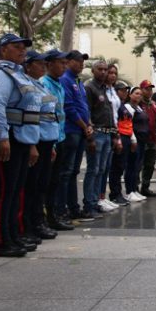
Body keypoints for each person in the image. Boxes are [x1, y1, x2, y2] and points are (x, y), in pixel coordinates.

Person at [0, 33, 41, 257]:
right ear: (3, 49)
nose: (22, 51)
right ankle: (1, 241)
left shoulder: (19, 75)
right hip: (6, 138)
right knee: (4, 190)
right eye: (16, 47)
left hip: (21, 138)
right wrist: (2, 137)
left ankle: (13, 235)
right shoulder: (0, 75)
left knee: (15, 190)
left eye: (23, 47)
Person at [23, 50, 65, 240]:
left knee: (43, 184)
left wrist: (53, 143)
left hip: (49, 140)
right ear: (29, 65)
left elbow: (51, 116)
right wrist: (33, 144)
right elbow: (33, 117)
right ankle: (33, 223)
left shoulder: (41, 87)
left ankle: (39, 221)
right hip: (38, 141)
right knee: (34, 186)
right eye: (39, 63)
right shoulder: (32, 86)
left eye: (44, 63)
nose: (43, 66)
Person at [58, 50, 93, 221]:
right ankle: (62, 208)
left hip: (81, 131)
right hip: (71, 130)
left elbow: (83, 105)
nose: (81, 64)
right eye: (78, 61)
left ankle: (73, 207)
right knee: (66, 171)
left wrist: (89, 125)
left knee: (74, 171)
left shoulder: (78, 81)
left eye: (83, 61)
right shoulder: (65, 79)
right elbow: (69, 108)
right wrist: (84, 125)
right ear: (69, 61)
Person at [42, 51, 74, 230]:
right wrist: (53, 143)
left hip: (60, 137)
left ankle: (54, 216)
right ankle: (45, 218)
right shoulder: (44, 84)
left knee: (56, 180)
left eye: (65, 63)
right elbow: (47, 115)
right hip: (50, 140)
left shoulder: (59, 84)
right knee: (47, 181)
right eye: (61, 63)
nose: (64, 66)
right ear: (50, 64)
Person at [84, 60, 119, 215]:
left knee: (102, 169)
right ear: (93, 71)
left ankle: (97, 200)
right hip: (97, 132)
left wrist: (113, 133)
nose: (104, 72)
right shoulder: (89, 88)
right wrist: (90, 136)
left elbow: (110, 113)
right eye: (100, 69)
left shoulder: (105, 89)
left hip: (107, 133)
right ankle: (89, 204)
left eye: (106, 69)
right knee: (93, 169)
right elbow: (87, 112)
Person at [117, 86, 149, 203]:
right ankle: (129, 191)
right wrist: (133, 140)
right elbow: (128, 125)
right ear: (130, 95)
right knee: (131, 166)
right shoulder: (128, 108)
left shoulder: (139, 108)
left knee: (137, 167)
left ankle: (134, 189)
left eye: (140, 94)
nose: (138, 96)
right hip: (132, 141)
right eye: (136, 93)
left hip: (142, 141)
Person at [107, 82, 131, 206]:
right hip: (119, 136)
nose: (125, 92)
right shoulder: (116, 105)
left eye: (126, 90)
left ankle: (118, 193)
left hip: (126, 136)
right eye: (122, 90)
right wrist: (118, 138)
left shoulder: (123, 105)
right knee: (116, 167)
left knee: (120, 166)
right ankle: (115, 194)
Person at [139, 80, 156, 197]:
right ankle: (134, 188)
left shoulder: (154, 104)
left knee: (150, 165)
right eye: (146, 89)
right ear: (141, 90)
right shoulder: (137, 103)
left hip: (153, 139)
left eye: (150, 89)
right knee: (138, 164)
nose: (149, 91)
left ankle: (145, 187)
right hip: (141, 140)